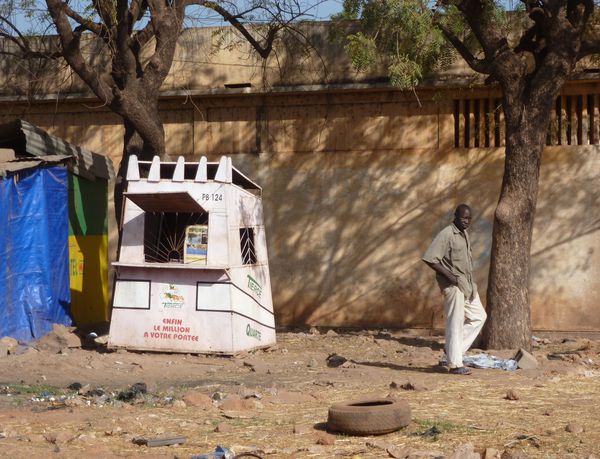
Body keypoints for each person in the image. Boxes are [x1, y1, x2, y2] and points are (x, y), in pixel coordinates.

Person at [422, 204, 487, 375]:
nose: (466, 221)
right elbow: (430, 259)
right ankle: (455, 364)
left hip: (468, 286)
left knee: (479, 316)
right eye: (463, 218)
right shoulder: (446, 234)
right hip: (453, 285)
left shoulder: (464, 233)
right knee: (455, 323)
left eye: (469, 219)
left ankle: (452, 351)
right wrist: (451, 277)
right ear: (455, 216)